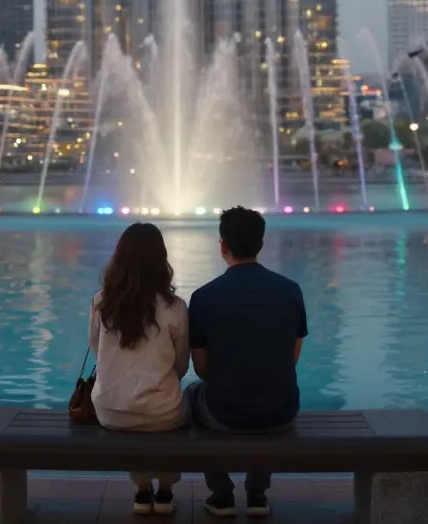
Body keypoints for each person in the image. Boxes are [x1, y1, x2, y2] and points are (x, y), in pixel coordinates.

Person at [187, 206, 307, 518]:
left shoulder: (203, 297)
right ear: (261, 245)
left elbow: (201, 369)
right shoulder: (290, 291)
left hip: (223, 414)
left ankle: (222, 494)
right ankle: (257, 494)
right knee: (267, 383)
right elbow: (291, 358)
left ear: (223, 246)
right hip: (282, 412)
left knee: (190, 397)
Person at [89, 222, 191, 516]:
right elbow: (181, 364)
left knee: (135, 410)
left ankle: (142, 489)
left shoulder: (101, 302)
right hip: (162, 411)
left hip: (109, 410)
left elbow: (98, 351)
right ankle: (166, 490)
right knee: (173, 407)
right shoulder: (175, 307)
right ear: (161, 260)